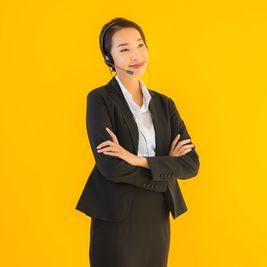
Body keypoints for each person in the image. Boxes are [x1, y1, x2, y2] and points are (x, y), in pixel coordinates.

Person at [75, 17, 200, 267]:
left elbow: (191, 164)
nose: (136, 55)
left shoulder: (165, 104)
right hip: (116, 214)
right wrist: (164, 166)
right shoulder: (100, 99)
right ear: (109, 58)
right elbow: (110, 167)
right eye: (124, 49)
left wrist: (138, 159)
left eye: (140, 45)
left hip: (156, 215)